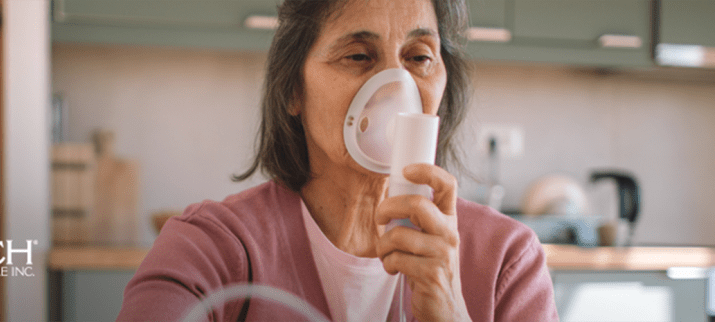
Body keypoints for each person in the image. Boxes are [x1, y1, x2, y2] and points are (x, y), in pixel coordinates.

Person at [117, 0, 559, 321]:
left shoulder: (507, 262)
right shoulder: (211, 250)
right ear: (293, 89)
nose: (396, 85)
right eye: (359, 56)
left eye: (419, 57)